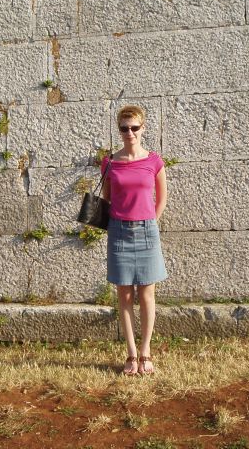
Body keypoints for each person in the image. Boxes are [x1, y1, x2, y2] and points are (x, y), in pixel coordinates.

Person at [100, 104, 168, 377]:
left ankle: (145, 351)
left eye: (134, 127)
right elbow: (106, 198)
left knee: (147, 294)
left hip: (147, 231)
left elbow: (161, 198)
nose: (130, 133)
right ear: (119, 130)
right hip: (119, 232)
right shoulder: (109, 163)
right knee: (124, 294)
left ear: (143, 128)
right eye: (124, 128)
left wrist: (150, 222)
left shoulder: (154, 161)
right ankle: (130, 353)